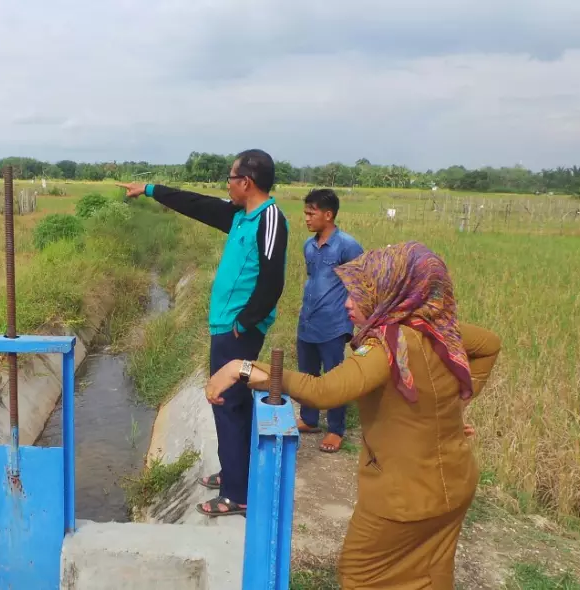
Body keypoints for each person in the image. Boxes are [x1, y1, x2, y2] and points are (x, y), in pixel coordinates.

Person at [204, 241, 501, 586]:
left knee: (360, 574)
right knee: (430, 573)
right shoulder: (435, 329)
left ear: (392, 293)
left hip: (403, 497)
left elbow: (324, 391)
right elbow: (490, 345)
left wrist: (243, 368)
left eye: (359, 294)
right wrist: (453, 404)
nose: (346, 303)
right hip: (455, 484)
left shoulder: (389, 345)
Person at [118, 149, 289, 517]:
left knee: (228, 404)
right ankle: (234, 473)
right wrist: (151, 189)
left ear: (247, 182)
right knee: (229, 405)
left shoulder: (269, 218)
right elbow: (197, 205)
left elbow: (273, 282)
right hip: (226, 326)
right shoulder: (242, 216)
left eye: (230, 178)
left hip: (238, 330)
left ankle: (236, 495)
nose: (226, 185)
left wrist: (245, 323)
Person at [296, 188, 364, 452]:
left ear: (328, 214)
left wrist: (355, 321)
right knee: (308, 375)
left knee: (335, 379)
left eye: (311, 213)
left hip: (334, 325)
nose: (307, 219)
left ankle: (336, 429)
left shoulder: (347, 245)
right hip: (308, 321)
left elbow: (361, 283)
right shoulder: (309, 246)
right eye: (305, 213)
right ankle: (309, 418)